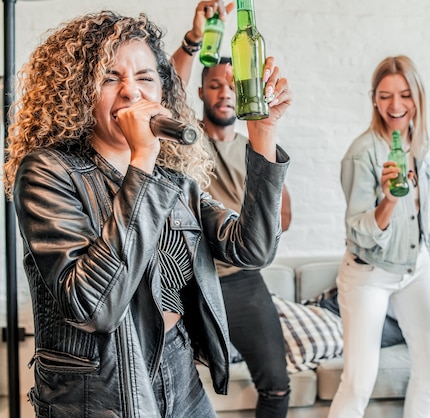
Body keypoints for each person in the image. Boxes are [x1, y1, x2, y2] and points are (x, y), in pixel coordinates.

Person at [3, 10, 291, 418]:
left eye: (145, 77)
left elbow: (252, 250)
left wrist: (264, 134)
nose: (131, 93)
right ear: (80, 92)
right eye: (109, 77)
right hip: (101, 391)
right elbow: (92, 307)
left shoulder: (171, 180)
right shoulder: (48, 172)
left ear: (161, 93)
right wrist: (141, 163)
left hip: (178, 367)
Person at [171, 5, 292, 414]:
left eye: (231, 85)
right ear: (201, 92)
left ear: (243, 88)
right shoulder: (185, 139)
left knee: (277, 386)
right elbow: (168, 89)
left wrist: (250, 224)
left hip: (243, 280)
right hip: (191, 279)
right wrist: (195, 38)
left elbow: (282, 216)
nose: (224, 92)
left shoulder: (255, 146)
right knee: (173, 390)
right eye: (214, 85)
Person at [328, 55, 430, 418]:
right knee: (359, 383)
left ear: (418, 98)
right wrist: (389, 202)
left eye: (405, 95)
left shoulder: (419, 143)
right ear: (374, 99)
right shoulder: (361, 154)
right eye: (385, 95)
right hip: (369, 274)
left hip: (416, 265)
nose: (396, 105)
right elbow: (357, 228)